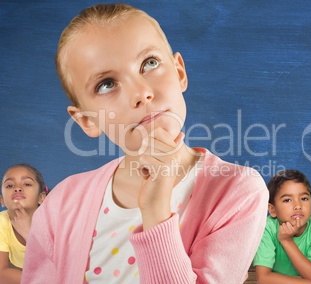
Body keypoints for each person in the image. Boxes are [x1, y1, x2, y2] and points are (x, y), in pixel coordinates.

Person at [21, 3, 269, 284]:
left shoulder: (238, 191)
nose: (141, 93)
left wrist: (156, 211)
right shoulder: (60, 206)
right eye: (106, 84)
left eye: (149, 63)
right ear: (87, 120)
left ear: (180, 72)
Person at [253, 169, 311, 284]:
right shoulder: (266, 228)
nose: (298, 205)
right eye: (287, 200)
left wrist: (286, 240)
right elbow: (263, 278)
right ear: (273, 210)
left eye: (304, 198)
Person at [0, 164, 48, 284]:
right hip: (20, 273)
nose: (17, 188)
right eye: (10, 185)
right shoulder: (2, 222)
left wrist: (28, 233)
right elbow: (1, 273)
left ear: (41, 197)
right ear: (2, 201)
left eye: (27, 184)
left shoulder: (52, 222)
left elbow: (56, 264)